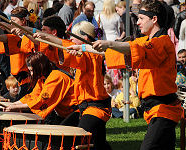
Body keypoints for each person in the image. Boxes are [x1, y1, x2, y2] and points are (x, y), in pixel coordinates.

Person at [70, 0, 183, 149]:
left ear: (154, 19)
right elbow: (117, 50)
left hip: (164, 111)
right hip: (156, 111)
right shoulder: (146, 40)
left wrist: (109, 44)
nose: (138, 23)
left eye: (142, 18)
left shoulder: (162, 42)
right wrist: (83, 47)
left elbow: (130, 49)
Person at [33, 20, 112, 150]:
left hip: (96, 108)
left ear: (85, 38)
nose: (71, 41)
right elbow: (65, 46)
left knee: (73, 139)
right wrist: (45, 36)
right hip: (84, 107)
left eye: (73, 38)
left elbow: (65, 45)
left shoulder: (91, 53)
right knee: (97, 142)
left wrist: (47, 37)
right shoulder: (84, 52)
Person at [4, 52, 77, 125]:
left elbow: (41, 100)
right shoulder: (43, 78)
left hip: (75, 112)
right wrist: (13, 104)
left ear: (40, 67)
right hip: (64, 113)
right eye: (30, 71)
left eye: (32, 70)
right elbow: (32, 96)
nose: (31, 74)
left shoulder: (56, 77)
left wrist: (16, 107)